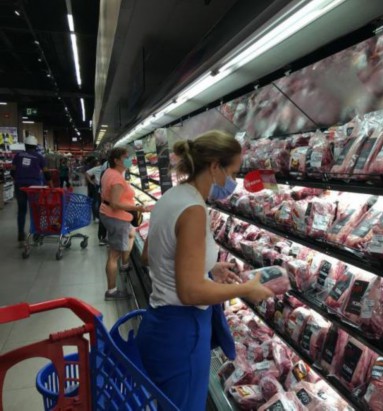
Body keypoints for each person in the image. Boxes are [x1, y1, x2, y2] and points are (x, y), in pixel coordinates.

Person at [136, 131, 273, 410]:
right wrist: (245, 289)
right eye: (232, 173)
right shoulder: (194, 210)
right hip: (182, 333)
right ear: (214, 166)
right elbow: (190, 292)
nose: (233, 182)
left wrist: (207, 267)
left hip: (158, 325)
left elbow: (148, 255)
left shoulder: (172, 196)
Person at [100, 147, 147, 300]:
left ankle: (125, 264)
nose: (129, 160)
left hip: (108, 213)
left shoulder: (109, 172)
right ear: (116, 160)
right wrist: (138, 208)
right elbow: (115, 204)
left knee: (131, 233)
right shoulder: (117, 179)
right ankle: (111, 291)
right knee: (114, 255)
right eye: (126, 157)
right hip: (116, 217)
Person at [11, 135, 48, 242]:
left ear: (25, 145)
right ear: (35, 146)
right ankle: (36, 233)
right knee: (36, 209)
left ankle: (20, 233)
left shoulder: (18, 156)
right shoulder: (39, 157)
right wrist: (50, 184)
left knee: (21, 210)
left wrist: (19, 179)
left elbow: (12, 171)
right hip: (34, 186)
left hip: (20, 185)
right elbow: (46, 173)